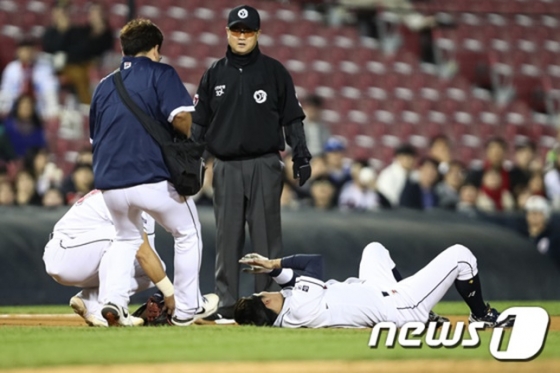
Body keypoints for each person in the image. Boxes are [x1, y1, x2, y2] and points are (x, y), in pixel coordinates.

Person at [191, 5, 312, 319]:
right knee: (227, 238)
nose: (241, 36)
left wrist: (301, 154)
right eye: (236, 30)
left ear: (258, 33)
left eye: (247, 31)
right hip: (226, 165)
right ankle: (227, 304)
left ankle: (266, 303)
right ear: (227, 32)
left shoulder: (274, 72)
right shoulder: (213, 73)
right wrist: (194, 162)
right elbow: (199, 125)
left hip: (264, 163)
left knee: (266, 238)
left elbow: (293, 118)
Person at [90, 19, 211, 326]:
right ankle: (185, 309)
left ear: (123, 48)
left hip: (110, 185)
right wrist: (183, 139)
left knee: (126, 238)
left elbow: (95, 139)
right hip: (150, 177)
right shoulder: (161, 72)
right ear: (156, 48)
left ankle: (114, 302)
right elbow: (182, 118)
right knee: (187, 232)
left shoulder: (104, 85)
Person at [234, 242, 514, 329]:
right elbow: (313, 264)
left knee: (374, 249)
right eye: (262, 294)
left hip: (374, 290)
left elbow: (293, 282)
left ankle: (425, 312)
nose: (266, 291)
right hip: (397, 306)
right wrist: (273, 264)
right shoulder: (301, 307)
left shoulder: (289, 310)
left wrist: (275, 271)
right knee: (461, 256)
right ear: (267, 303)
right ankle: (481, 314)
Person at [43, 189, 165, 326]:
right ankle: (105, 307)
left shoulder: (144, 200)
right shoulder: (122, 192)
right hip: (64, 253)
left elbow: (148, 257)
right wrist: (170, 293)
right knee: (123, 235)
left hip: (87, 257)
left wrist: (172, 293)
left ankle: (90, 300)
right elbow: (142, 253)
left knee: (155, 269)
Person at [0, 38, 59, 118]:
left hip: (38, 108)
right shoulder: (11, 68)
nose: (27, 53)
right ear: (18, 52)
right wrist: (4, 109)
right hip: (15, 106)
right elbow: (6, 90)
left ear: (35, 52)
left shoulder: (45, 68)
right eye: (24, 51)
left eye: (30, 51)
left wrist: (52, 111)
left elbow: (50, 91)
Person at [524, 195, 560, 269]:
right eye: (530, 213)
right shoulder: (522, 235)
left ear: (545, 216)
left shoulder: (554, 238)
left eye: (537, 213)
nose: (533, 216)